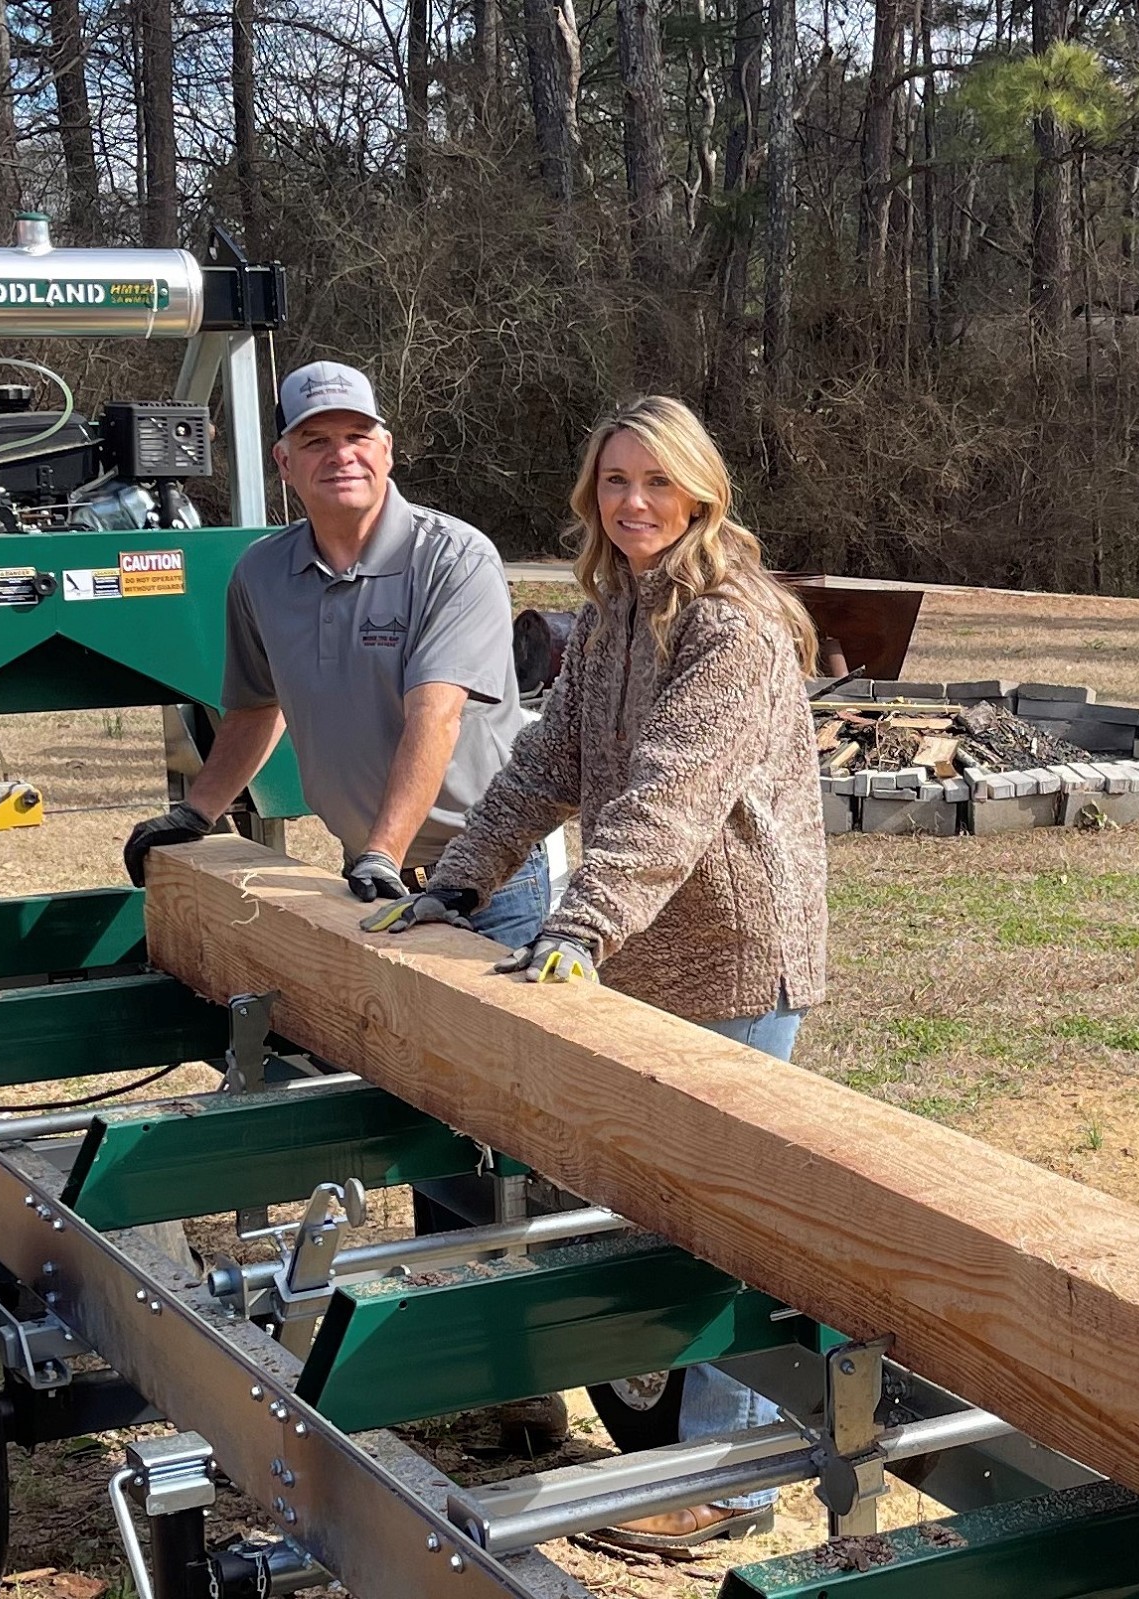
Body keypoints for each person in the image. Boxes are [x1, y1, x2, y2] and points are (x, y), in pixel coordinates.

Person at [369, 394, 827, 1552]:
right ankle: (670, 1440)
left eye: (656, 484)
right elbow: (542, 767)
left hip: (731, 958)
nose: (633, 505)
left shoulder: (733, 628)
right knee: (645, 1210)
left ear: (702, 493)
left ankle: (733, 1481)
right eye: (614, 483)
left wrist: (579, 927)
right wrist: (460, 882)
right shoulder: (617, 614)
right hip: (639, 954)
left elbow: (669, 799)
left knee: (717, 1220)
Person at [122, 361, 551, 949]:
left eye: (357, 437)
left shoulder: (455, 560)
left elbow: (437, 716)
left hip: (484, 879)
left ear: (387, 449)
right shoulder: (262, 574)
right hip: (375, 874)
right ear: (284, 462)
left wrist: (381, 853)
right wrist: (197, 811)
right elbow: (256, 707)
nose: (341, 455)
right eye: (315, 440)